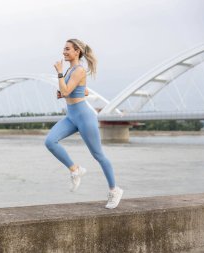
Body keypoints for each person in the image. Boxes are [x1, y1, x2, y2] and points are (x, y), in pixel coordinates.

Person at [44, 38, 123, 209]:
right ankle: (75, 169)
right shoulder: (70, 70)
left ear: (77, 51)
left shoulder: (78, 70)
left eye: (67, 49)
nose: (64, 52)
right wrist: (64, 92)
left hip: (84, 116)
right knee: (50, 141)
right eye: (63, 49)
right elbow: (79, 90)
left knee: (98, 155)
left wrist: (59, 73)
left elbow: (66, 89)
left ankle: (114, 190)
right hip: (71, 116)